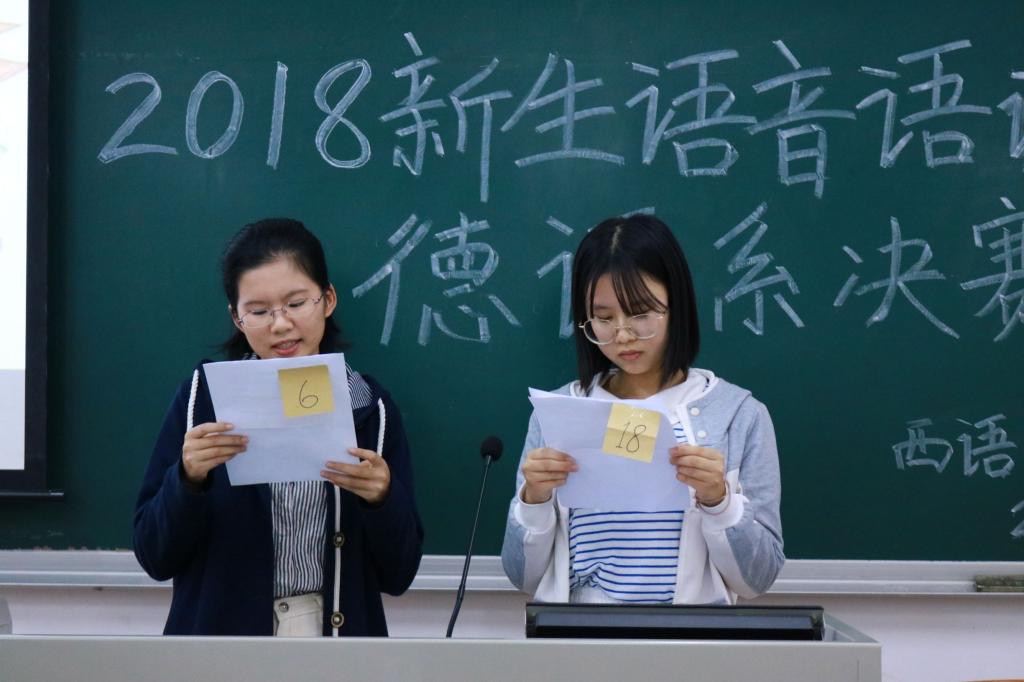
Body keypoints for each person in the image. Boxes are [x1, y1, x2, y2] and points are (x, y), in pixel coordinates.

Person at [133, 218, 423, 636]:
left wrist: (382, 499)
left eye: (296, 303)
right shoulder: (202, 400)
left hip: (336, 644)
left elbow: (399, 574)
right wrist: (187, 479)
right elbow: (154, 557)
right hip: (223, 647)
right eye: (258, 311)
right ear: (237, 318)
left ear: (328, 300)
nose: (281, 324)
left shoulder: (370, 409)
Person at [501, 214, 784, 605]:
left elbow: (759, 579)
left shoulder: (740, 416)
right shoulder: (558, 414)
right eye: (603, 318)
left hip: (691, 637)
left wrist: (720, 501)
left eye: (641, 314)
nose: (623, 334)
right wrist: (533, 500)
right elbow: (521, 576)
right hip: (579, 634)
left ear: (676, 304)